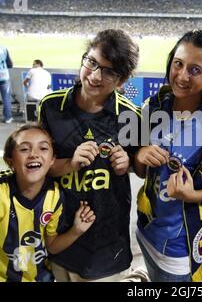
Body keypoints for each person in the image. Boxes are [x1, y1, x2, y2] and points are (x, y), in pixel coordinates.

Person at [134, 30, 202, 282]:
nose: (181, 75)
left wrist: (192, 195)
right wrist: (140, 154)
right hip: (145, 229)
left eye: (195, 69)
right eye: (178, 64)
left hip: (180, 245)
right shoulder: (153, 106)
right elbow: (139, 171)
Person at [38, 29, 140, 282]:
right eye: (92, 62)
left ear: (122, 80)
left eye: (109, 71)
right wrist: (71, 164)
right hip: (57, 236)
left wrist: (127, 163)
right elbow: (38, 168)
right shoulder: (50, 107)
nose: (95, 75)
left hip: (107, 246)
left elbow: (141, 167)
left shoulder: (131, 116)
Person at [0, 125, 96, 282]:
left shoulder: (55, 196)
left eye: (43, 148)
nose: (34, 154)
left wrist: (76, 230)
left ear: (52, 160)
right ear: (10, 161)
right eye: (24, 149)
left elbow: (51, 245)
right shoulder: (2, 192)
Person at [0, 45, 13, 123]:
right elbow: (10, 64)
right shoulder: (4, 48)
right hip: (4, 76)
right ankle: (8, 117)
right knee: (6, 98)